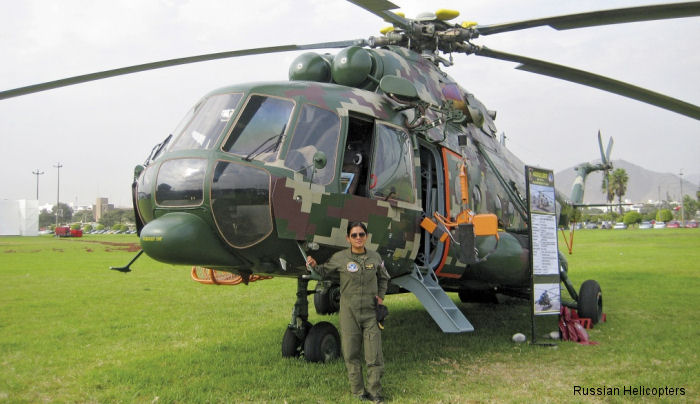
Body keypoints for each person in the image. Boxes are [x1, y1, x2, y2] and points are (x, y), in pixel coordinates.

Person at [306, 221, 390, 403]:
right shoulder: (340, 258)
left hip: (370, 313)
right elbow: (322, 271)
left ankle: (375, 392)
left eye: (361, 234)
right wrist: (312, 264)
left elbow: (384, 278)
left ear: (366, 237)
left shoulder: (375, 257)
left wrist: (381, 297)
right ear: (348, 238)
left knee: (374, 355)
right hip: (349, 313)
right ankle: (358, 391)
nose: (358, 238)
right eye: (354, 235)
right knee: (351, 354)